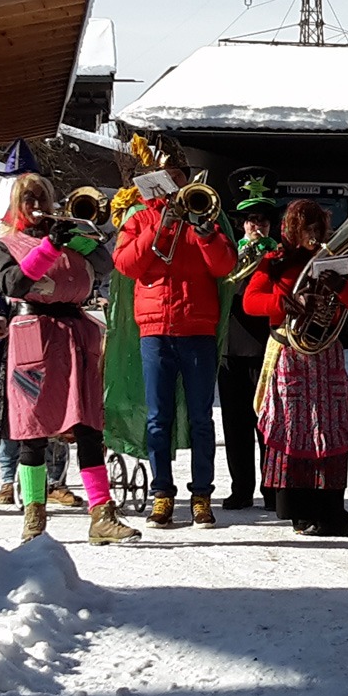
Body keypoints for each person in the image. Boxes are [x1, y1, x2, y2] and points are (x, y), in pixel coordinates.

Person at [0, 174, 141, 545]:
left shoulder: (65, 232)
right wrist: (49, 249)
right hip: (34, 336)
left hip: (75, 333)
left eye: (42, 197)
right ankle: (34, 516)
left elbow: (105, 265)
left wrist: (80, 241)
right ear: (14, 205)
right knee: (34, 431)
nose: (37, 205)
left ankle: (102, 514)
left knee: (89, 427)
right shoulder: (4, 244)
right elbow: (14, 285)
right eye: (29, 199)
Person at [113, 158, 236, 529]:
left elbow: (223, 266)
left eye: (179, 180)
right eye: (168, 181)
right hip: (154, 329)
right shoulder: (139, 219)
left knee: (201, 418)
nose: (174, 188)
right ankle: (162, 495)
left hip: (197, 329)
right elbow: (126, 264)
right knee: (157, 418)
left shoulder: (206, 218)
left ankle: (202, 495)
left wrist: (203, 232)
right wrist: (161, 227)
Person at [244, 199, 348, 537]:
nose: (313, 235)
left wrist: (341, 284)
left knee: (328, 428)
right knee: (292, 427)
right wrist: (282, 302)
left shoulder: (334, 260)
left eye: (317, 227)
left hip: (325, 354)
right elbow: (249, 301)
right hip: (289, 352)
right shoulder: (274, 260)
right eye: (306, 228)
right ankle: (298, 509)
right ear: (291, 229)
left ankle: (331, 509)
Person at [0, 140, 76, 509]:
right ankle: (6, 475)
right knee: (12, 404)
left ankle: (56, 478)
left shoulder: (52, 224)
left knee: (57, 401)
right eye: (15, 182)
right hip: (9, 325)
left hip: (49, 323)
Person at [219, 166, 282, 511]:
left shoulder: (279, 255)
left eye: (263, 219)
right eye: (251, 219)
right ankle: (241, 487)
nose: (257, 225)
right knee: (235, 423)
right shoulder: (229, 252)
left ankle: (272, 487)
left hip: (267, 348)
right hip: (231, 346)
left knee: (268, 422)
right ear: (241, 224)